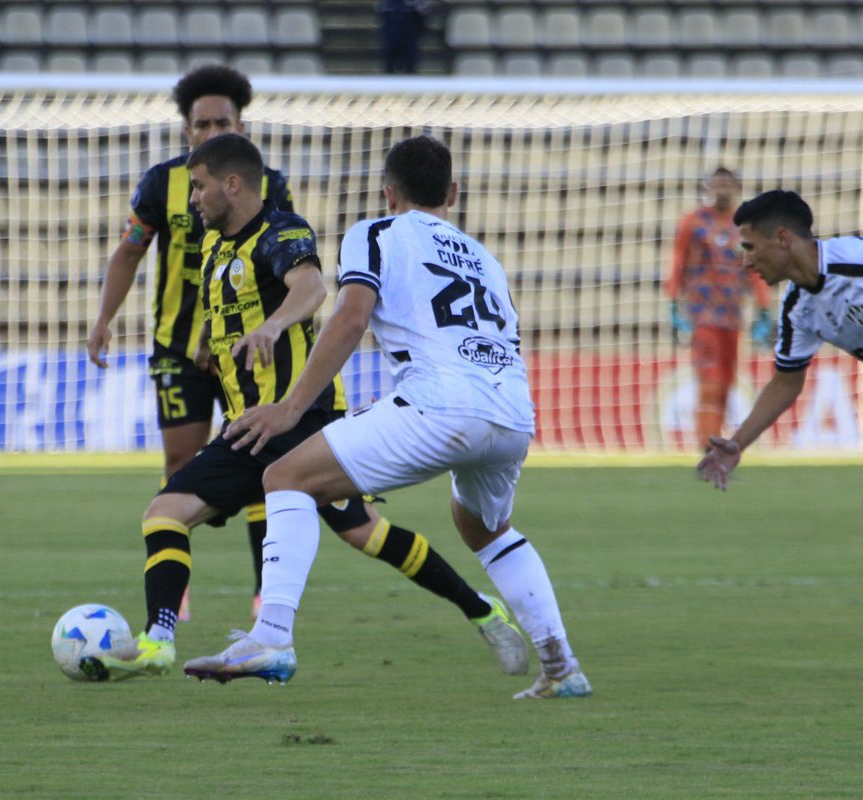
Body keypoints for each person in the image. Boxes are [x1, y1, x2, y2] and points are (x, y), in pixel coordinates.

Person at [81, 133, 530, 682]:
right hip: (247, 427)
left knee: (367, 534)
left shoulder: (283, 231)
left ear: (232, 183)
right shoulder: (215, 244)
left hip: (300, 419)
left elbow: (312, 288)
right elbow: (227, 306)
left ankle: (481, 610)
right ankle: (159, 641)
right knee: (164, 515)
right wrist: (207, 342)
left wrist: (273, 326)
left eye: (198, 187)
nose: (192, 198)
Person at [185, 136, 591, 700]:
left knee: (284, 477)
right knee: (483, 527)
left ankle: (271, 636)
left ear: (387, 191)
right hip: (512, 412)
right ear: (452, 193)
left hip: (440, 404)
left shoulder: (374, 233)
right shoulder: (485, 259)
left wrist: (290, 407)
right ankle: (561, 665)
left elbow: (351, 318)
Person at [86, 65, 282, 620]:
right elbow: (130, 252)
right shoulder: (160, 184)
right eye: (202, 122)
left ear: (241, 124)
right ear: (186, 129)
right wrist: (103, 319)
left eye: (222, 120)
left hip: (249, 352)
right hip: (179, 351)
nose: (211, 129)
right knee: (180, 460)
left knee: (261, 465)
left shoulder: (269, 184)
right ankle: (175, 586)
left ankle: (266, 590)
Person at [698, 189, 863, 585]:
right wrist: (738, 442)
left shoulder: (859, 259)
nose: (746, 260)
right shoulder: (798, 308)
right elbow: (787, 381)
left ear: (782, 238)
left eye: (751, 247)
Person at [666, 167, 773, 451]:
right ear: (709, 188)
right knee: (710, 380)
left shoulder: (744, 226)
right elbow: (678, 261)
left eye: (727, 184)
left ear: (736, 188)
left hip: (732, 316)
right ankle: (707, 443)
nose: (722, 190)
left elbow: (755, 269)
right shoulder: (694, 222)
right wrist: (674, 304)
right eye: (717, 184)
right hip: (703, 315)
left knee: (726, 381)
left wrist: (763, 309)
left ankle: (716, 438)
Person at [377, 0, 435, 74]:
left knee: (410, 60)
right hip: (393, 30)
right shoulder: (388, 4)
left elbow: (425, 11)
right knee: (390, 58)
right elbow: (382, 13)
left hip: (410, 31)